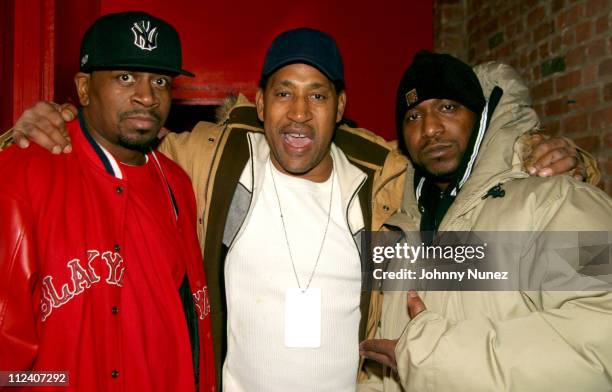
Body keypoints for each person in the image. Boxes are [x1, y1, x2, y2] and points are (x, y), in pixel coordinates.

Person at [4, 30, 594, 390]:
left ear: (341, 106)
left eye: (317, 95)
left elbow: (476, 188)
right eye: (284, 92)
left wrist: (561, 160)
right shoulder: (209, 160)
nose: (299, 112)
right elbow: (115, 136)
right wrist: (40, 126)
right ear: (260, 102)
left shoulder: (386, 182)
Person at [358, 52, 612, 391]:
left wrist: (431, 356)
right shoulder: (399, 231)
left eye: (447, 107)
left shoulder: (555, 201)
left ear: (480, 116)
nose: (430, 128)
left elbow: (602, 346)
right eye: (414, 116)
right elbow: (388, 366)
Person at [0, 12, 215, 391]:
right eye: (125, 77)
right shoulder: (24, 170)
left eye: (160, 80)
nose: (146, 95)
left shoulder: (176, 182)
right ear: (83, 89)